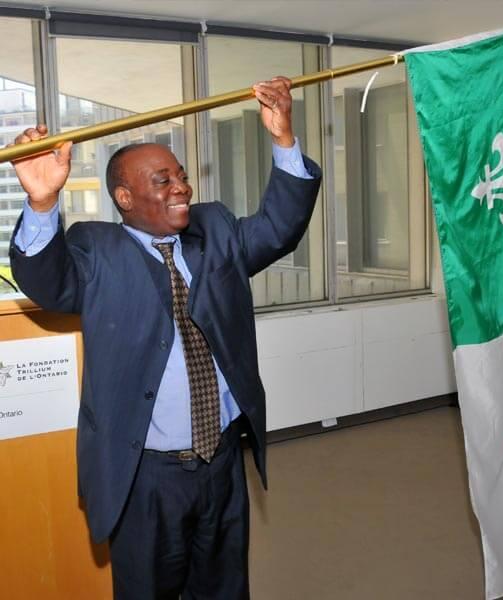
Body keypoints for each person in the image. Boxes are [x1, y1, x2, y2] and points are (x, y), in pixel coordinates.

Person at [8, 76, 321, 600]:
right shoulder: (95, 249)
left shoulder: (215, 229)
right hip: (145, 476)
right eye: (162, 180)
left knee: (224, 588)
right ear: (124, 197)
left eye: (180, 175)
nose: (182, 187)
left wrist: (283, 139)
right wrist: (43, 203)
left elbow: (280, 227)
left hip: (220, 462)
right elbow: (46, 281)